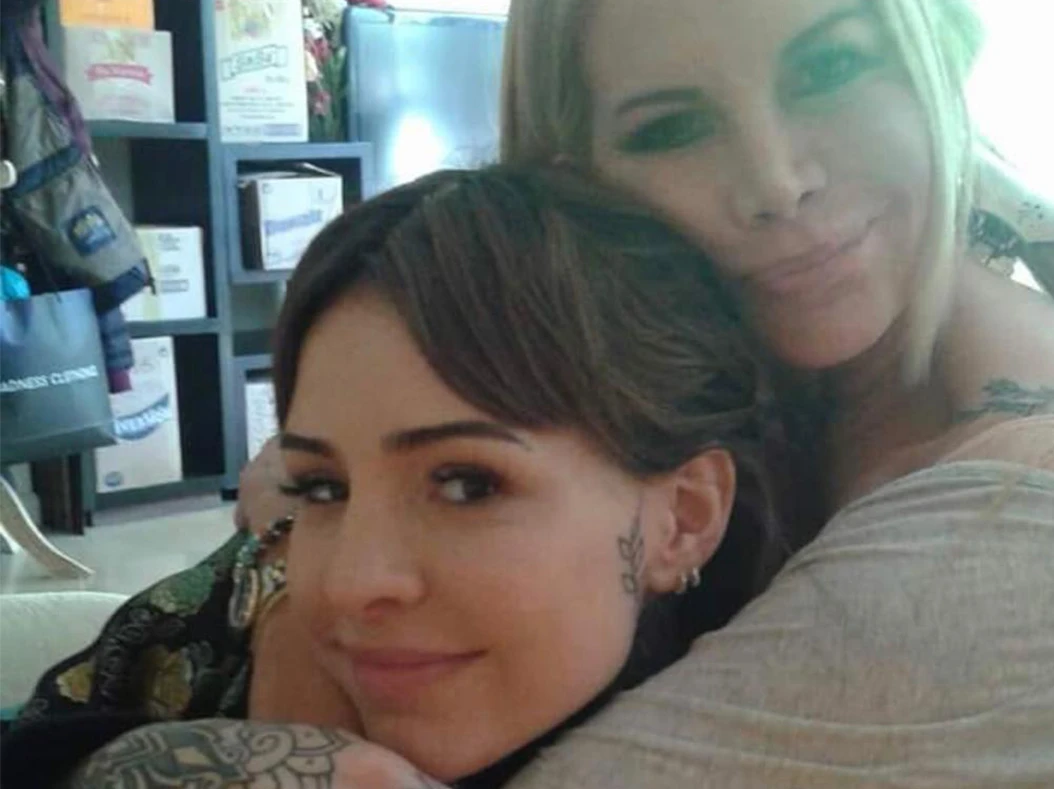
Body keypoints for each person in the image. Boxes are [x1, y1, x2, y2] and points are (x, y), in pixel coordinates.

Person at [235, 0, 1054, 785]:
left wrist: (297, 673)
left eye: (832, 66)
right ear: (573, 179)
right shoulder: (658, 384)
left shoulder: (993, 521)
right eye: (672, 127)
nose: (777, 181)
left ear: (940, 59)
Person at [2, 167, 806, 787]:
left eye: (467, 484)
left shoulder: (789, 716)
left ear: (684, 518)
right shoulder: (229, 636)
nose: (348, 584)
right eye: (322, 485)